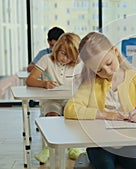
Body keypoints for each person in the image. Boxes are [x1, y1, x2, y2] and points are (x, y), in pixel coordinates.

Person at [64, 32, 136, 169]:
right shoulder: (90, 84)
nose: (107, 71)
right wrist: (106, 115)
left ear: (115, 51)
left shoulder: (135, 79)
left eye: (109, 63)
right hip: (99, 145)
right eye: (99, 70)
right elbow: (70, 109)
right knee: (105, 165)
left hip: (129, 143)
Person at [26, 32, 84, 163]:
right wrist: (44, 83)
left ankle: (73, 147)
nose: (65, 59)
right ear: (57, 48)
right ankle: (47, 148)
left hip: (71, 100)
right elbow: (30, 80)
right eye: (63, 53)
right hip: (52, 100)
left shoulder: (78, 64)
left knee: (73, 116)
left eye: (69, 56)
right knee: (52, 116)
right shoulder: (47, 59)